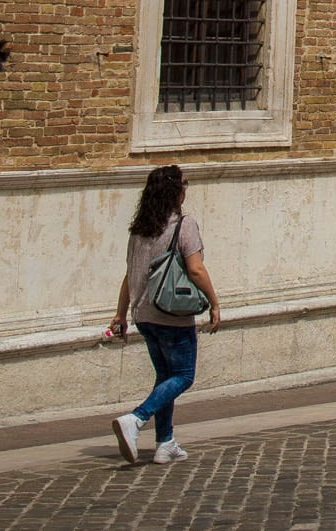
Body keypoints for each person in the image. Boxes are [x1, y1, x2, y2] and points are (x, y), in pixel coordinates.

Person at [103, 164, 221, 465]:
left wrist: (120, 314)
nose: (186, 189)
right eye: (184, 184)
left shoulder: (140, 229)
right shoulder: (184, 225)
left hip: (143, 314)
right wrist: (215, 302)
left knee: (165, 376)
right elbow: (195, 268)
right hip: (172, 314)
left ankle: (165, 442)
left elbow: (129, 275)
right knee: (183, 375)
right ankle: (137, 418)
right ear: (175, 191)